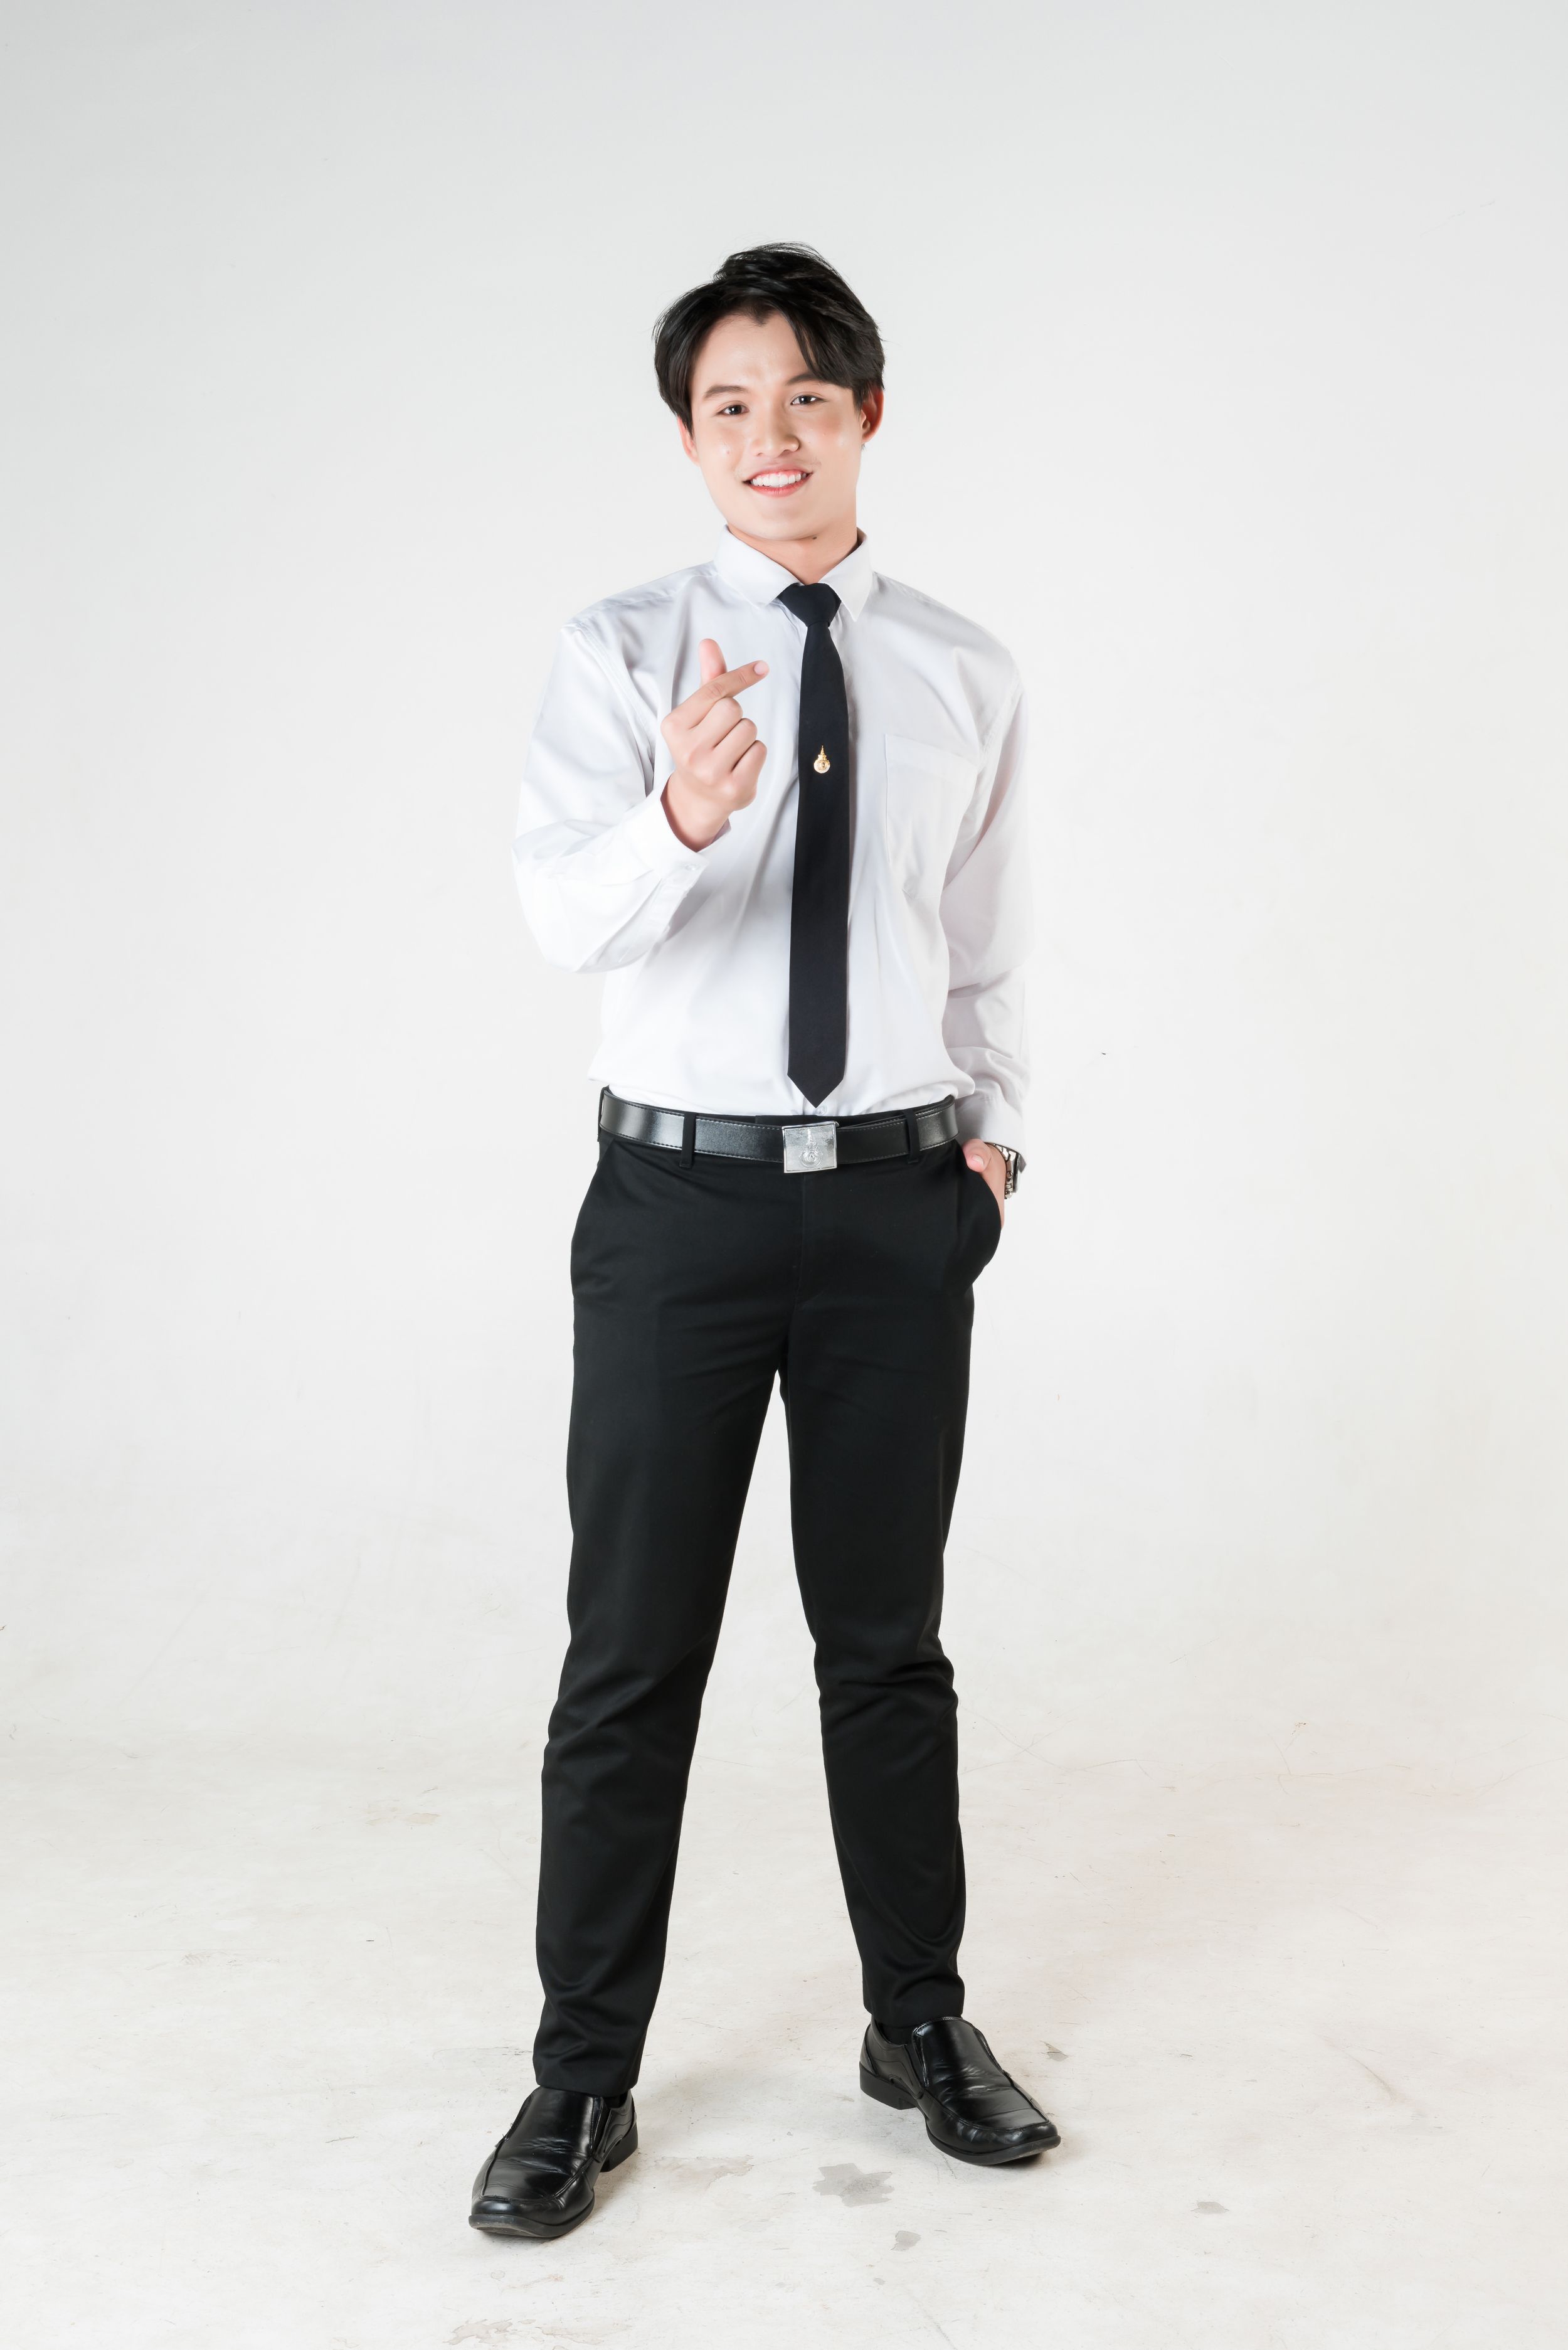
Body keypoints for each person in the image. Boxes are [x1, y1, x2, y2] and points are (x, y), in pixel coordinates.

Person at [469, 243, 1058, 2241]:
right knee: (631, 1653)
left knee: (884, 1643)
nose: (770, 435)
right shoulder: (623, 650)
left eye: (807, 395)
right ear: (689, 437)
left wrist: (990, 1148)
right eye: (730, 403)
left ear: (865, 414)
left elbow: (980, 942)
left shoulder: (964, 668)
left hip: (896, 1210)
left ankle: (919, 2020)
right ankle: (581, 2076)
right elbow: (563, 917)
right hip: (680, 1212)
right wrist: (680, 817)